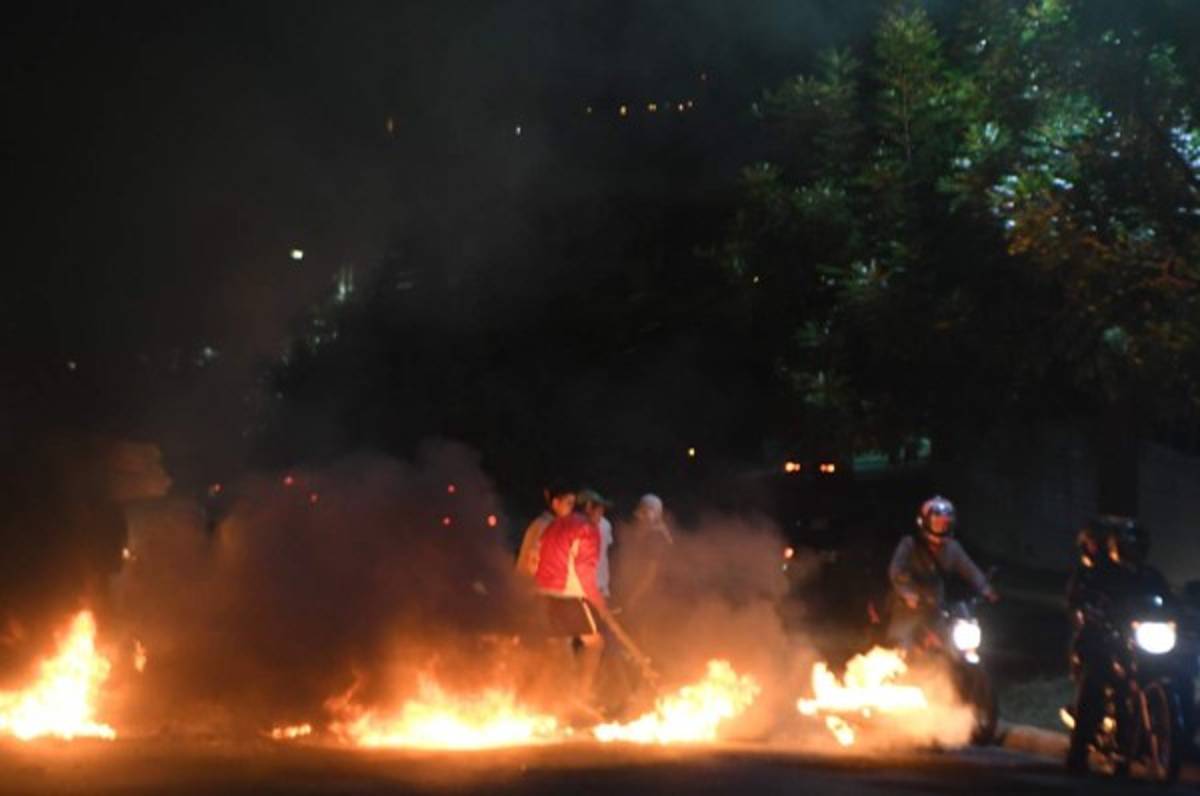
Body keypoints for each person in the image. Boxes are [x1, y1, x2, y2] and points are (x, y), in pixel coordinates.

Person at [533, 486, 609, 713]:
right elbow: (585, 571)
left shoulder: (553, 526)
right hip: (571, 595)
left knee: (559, 647)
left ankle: (553, 701)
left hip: (545, 594)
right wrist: (598, 601)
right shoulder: (586, 529)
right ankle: (581, 697)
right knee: (595, 643)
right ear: (588, 508)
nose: (600, 515)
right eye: (598, 510)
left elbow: (534, 560)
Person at [886, 495, 997, 648]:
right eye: (937, 523)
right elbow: (896, 570)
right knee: (901, 644)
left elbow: (969, 569)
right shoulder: (909, 544)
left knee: (950, 642)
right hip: (909, 605)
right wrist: (908, 593)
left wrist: (986, 588)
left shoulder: (953, 547)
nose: (942, 527)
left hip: (937, 604)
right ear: (925, 522)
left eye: (945, 523)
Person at [618, 493, 674, 613]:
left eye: (645, 513)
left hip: (654, 597)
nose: (640, 518)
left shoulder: (656, 537)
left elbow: (650, 573)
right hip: (649, 594)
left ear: (654, 514)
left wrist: (634, 598)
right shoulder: (653, 533)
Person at [515, 485, 573, 579]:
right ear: (556, 503)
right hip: (531, 587)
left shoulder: (546, 523)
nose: (571, 509)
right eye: (569, 503)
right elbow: (532, 564)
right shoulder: (544, 526)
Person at [577, 488, 614, 599]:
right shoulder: (574, 528)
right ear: (588, 507)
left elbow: (605, 554)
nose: (602, 511)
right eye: (599, 508)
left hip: (601, 587)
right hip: (580, 590)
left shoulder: (605, 524)